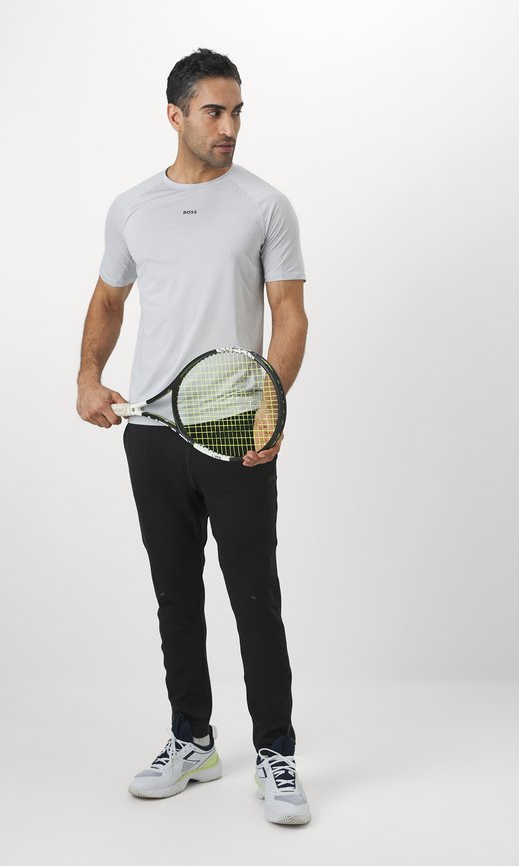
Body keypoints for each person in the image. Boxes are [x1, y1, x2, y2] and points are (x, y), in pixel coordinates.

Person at [76, 47, 310, 825]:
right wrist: (88, 376)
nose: (229, 125)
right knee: (175, 596)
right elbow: (108, 301)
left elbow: (290, 315)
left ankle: (275, 752)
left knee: (254, 597)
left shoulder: (266, 204)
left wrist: (270, 407)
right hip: (150, 430)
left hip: (238, 429)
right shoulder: (132, 207)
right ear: (175, 115)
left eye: (237, 111)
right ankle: (192, 739)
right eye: (214, 111)